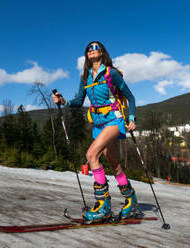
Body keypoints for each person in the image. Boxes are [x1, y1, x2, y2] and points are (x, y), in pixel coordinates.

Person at [52, 41, 137, 222]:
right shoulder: (86, 77)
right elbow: (78, 101)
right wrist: (63, 101)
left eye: (95, 47)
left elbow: (130, 97)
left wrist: (132, 118)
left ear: (102, 52)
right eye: (88, 49)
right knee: (112, 161)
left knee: (91, 155)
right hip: (98, 123)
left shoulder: (111, 73)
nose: (91, 50)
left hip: (114, 119)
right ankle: (130, 198)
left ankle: (103, 205)